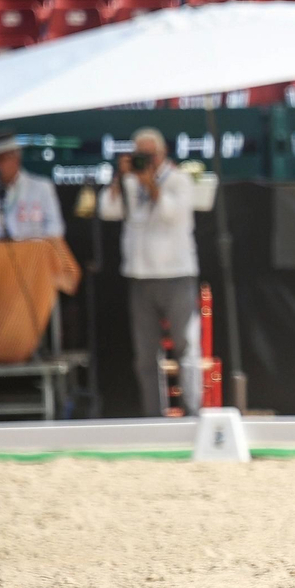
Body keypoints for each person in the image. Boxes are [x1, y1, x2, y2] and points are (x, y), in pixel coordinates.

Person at [100, 127, 202, 417]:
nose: (145, 160)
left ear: (163, 153)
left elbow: (172, 214)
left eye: (150, 155)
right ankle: (153, 415)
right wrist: (120, 178)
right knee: (145, 355)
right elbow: (107, 210)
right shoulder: (130, 182)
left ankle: (192, 411)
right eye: (139, 155)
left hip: (176, 274)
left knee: (185, 347)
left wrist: (151, 185)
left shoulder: (179, 179)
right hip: (140, 276)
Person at [0, 131, 65, 243]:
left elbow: (55, 229)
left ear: (16, 159)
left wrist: (35, 248)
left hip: (32, 251)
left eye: (1, 159)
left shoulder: (41, 187)